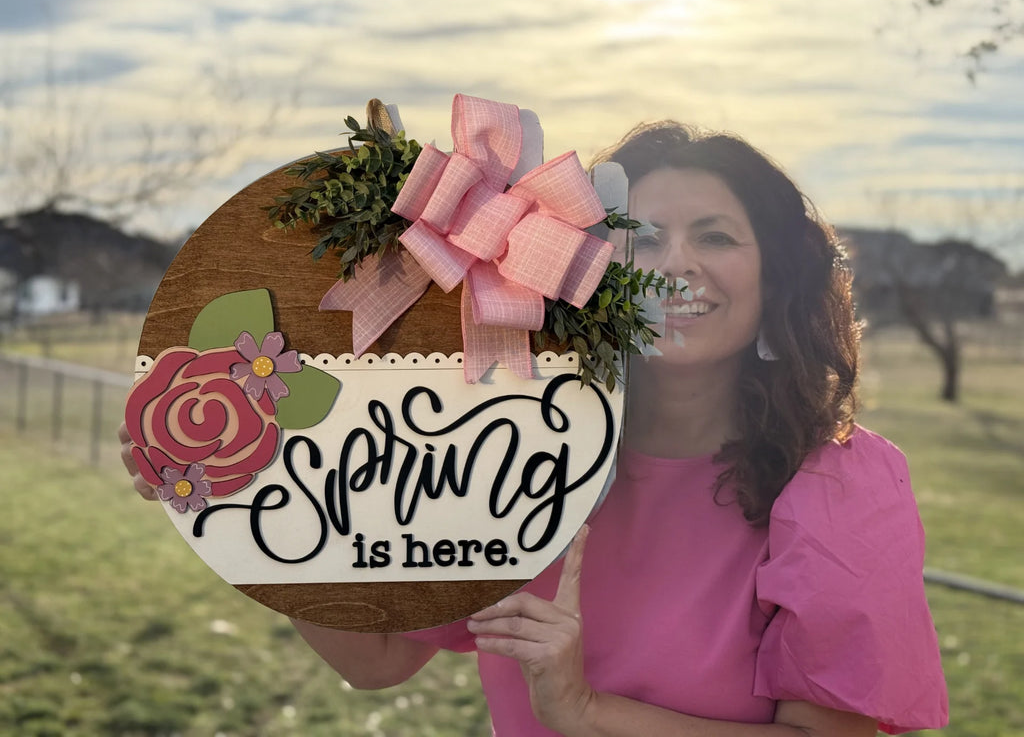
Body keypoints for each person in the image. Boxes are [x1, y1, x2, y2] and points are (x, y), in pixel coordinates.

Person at [120, 121, 949, 736]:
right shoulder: (515, 453)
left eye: (718, 237)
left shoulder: (840, 482)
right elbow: (373, 662)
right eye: (646, 237)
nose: (675, 265)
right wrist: (245, 497)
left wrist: (586, 711)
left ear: (778, 283)